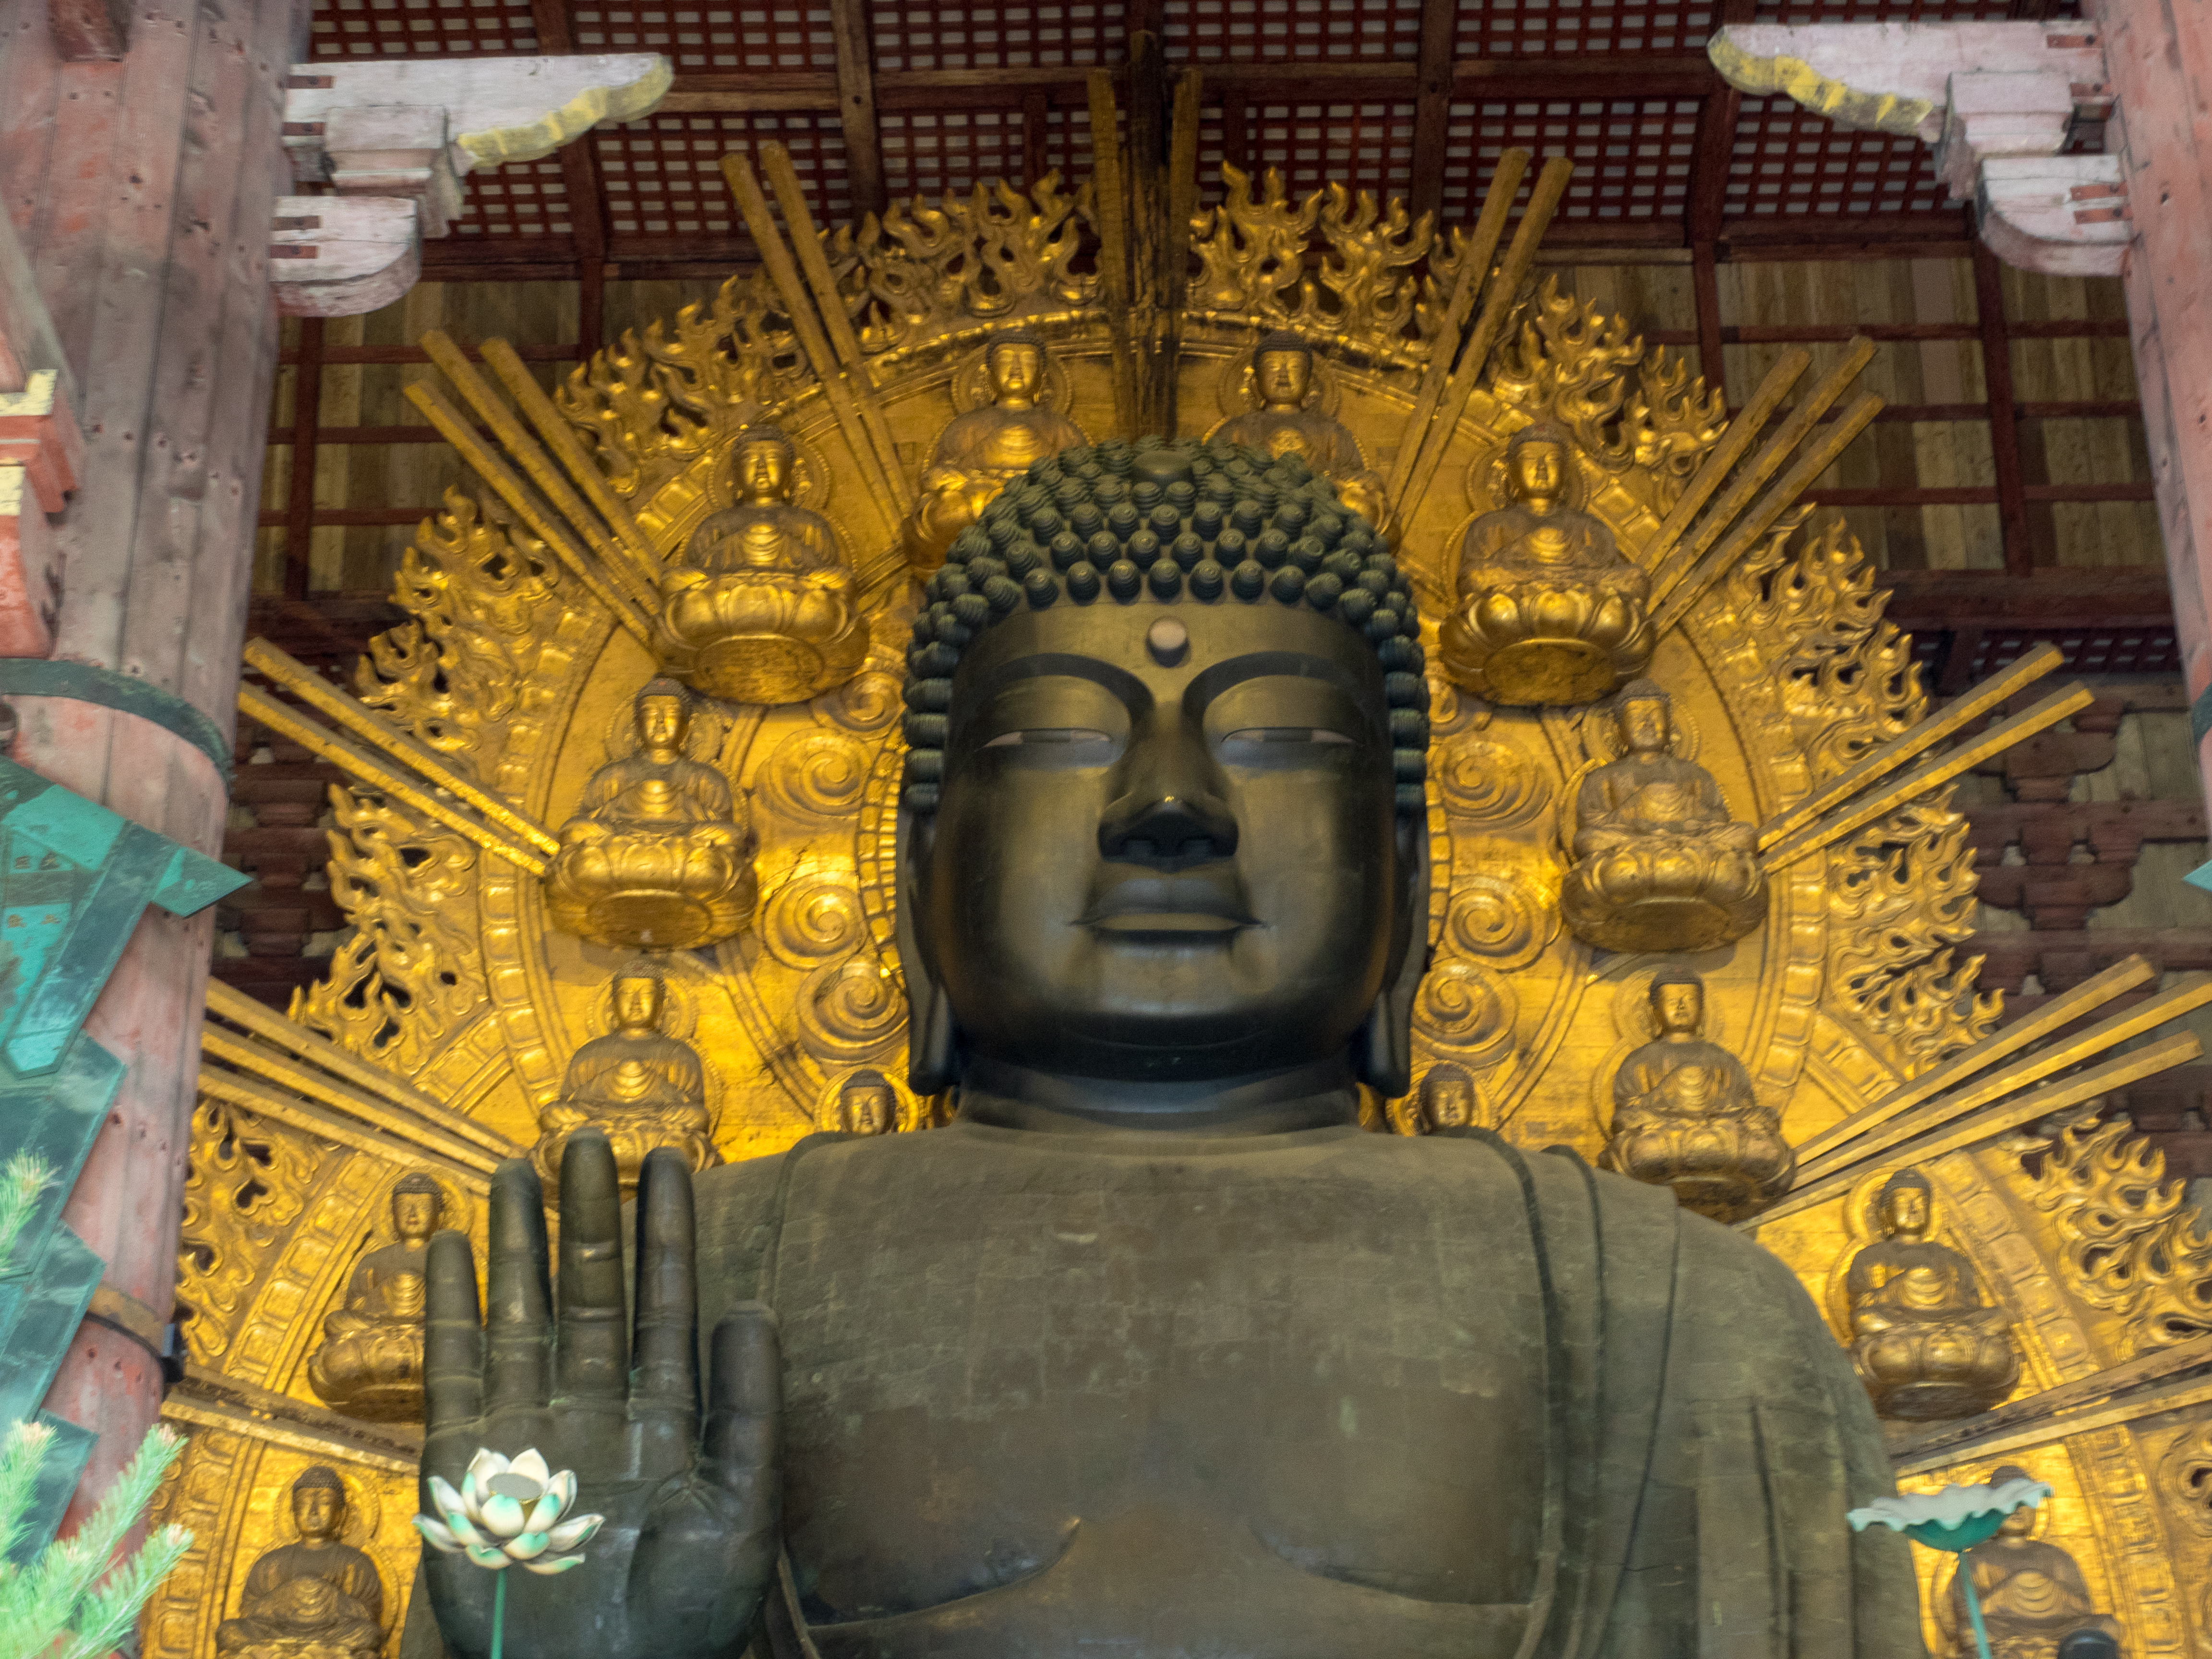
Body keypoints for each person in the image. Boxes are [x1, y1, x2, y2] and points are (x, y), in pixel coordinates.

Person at [414, 439, 1918, 1659]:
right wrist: (542, 1648)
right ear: (920, 855)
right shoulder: (676, 1309)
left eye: (1278, 741)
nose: (1171, 802)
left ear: (1406, 859)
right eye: (1062, 739)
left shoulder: (1679, 1324)